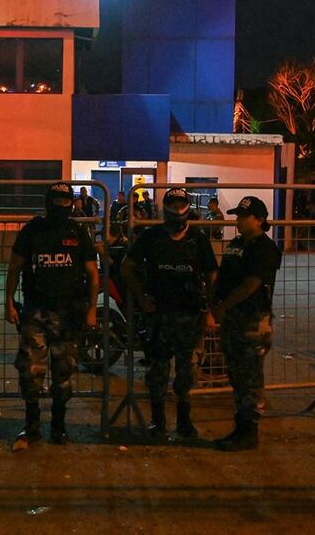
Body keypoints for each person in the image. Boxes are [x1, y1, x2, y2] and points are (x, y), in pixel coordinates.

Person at [5, 182, 99, 449]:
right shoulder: (32, 230)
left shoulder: (78, 232)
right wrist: (9, 303)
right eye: (56, 201)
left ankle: (59, 428)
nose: (61, 206)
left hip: (69, 314)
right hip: (35, 312)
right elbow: (14, 267)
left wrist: (92, 309)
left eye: (64, 201)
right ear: (48, 202)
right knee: (30, 373)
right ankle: (32, 428)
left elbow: (92, 274)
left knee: (64, 373)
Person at [121, 188, 218, 440]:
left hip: (190, 316)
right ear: (165, 208)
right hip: (159, 318)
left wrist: (211, 310)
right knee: (157, 374)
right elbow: (127, 267)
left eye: (180, 204)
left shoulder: (198, 239)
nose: (177, 210)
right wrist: (141, 297)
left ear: (187, 207)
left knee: (187, 375)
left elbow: (211, 275)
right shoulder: (151, 237)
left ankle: (184, 423)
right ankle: (158, 422)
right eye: (172, 205)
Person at [209, 196, 282, 452]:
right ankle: (240, 429)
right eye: (237, 215)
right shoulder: (237, 243)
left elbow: (251, 284)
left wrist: (223, 305)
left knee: (249, 378)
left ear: (260, 220)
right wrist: (215, 301)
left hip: (252, 320)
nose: (237, 220)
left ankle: (248, 432)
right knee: (238, 376)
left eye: (243, 216)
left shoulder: (264, 248)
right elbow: (224, 274)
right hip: (234, 320)